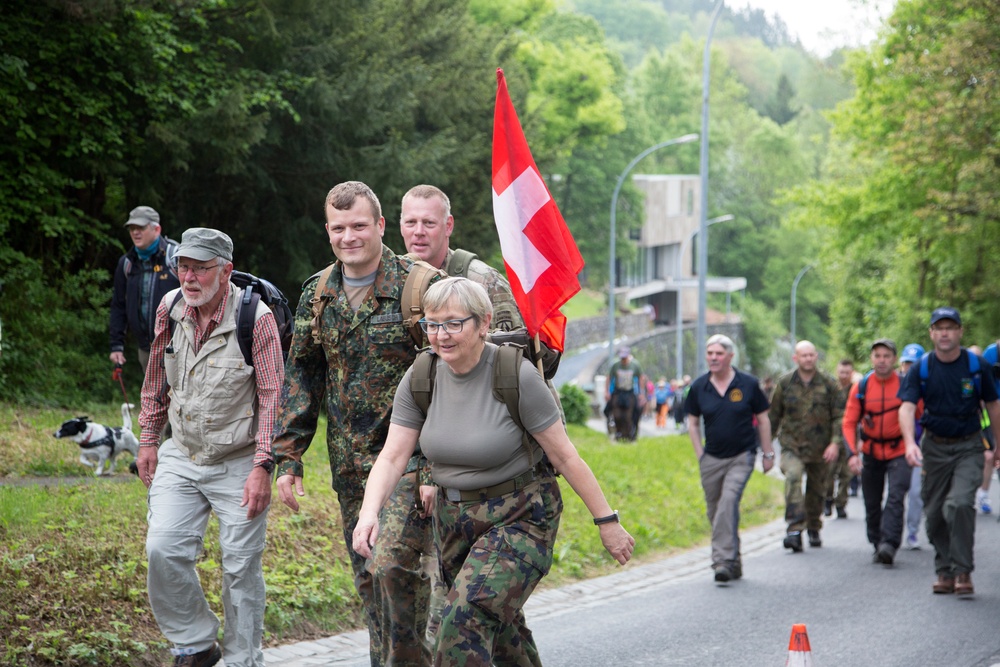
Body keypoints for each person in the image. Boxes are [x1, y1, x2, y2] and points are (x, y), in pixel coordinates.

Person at [352, 277, 634, 665]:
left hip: (520, 516)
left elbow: (566, 457)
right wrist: (370, 514)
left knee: (462, 624)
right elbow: (392, 457)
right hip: (454, 523)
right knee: (501, 630)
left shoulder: (514, 375)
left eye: (454, 323)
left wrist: (607, 521)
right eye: (432, 324)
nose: (441, 335)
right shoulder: (422, 376)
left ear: (484, 323)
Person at [271, 181, 437, 666]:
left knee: (395, 576)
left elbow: (446, 381)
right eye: (339, 228)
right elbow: (301, 374)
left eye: (360, 226)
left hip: (410, 463)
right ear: (328, 231)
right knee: (371, 586)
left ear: (380, 226)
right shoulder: (317, 295)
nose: (350, 237)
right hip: (350, 468)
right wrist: (289, 457)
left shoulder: (420, 287)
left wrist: (430, 468)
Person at [137, 228, 284, 667]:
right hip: (181, 453)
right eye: (184, 266)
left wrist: (263, 465)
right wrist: (148, 438)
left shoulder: (254, 318)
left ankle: (242, 660)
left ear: (226, 270)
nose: (190, 277)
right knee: (162, 548)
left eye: (201, 268)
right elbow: (156, 378)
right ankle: (197, 643)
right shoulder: (170, 307)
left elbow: (273, 394)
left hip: (240, 460)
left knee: (240, 568)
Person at [900, 307, 1000, 597]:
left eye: (950, 327)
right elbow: (906, 408)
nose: (945, 332)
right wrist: (909, 443)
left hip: (968, 445)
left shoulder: (976, 366)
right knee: (933, 513)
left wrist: (997, 445)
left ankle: (962, 571)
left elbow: (993, 405)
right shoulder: (922, 368)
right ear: (931, 333)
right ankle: (944, 570)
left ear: (960, 331)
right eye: (939, 327)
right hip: (934, 446)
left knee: (957, 504)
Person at [685, 334, 773, 583]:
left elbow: (764, 419)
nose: (713, 357)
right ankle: (735, 561)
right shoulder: (700, 386)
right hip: (711, 458)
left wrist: (767, 454)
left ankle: (722, 561)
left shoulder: (748, 384)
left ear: (730, 356)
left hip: (741, 456)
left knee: (728, 503)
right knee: (716, 511)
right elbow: (692, 423)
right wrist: (700, 454)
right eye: (710, 353)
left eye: (719, 353)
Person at [399, 184, 522, 332]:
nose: (419, 231)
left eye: (429, 223)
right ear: (401, 226)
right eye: (411, 222)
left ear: (448, 226)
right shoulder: (390, 281)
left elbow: (510, 349)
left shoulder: (484, 281)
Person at [842, 339, 921, 565]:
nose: (882, 360)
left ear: (894, 359)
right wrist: (852, 454)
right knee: (872, 501)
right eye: (877, 356)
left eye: (886, 356)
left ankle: (890, 544)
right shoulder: (862, 387)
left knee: (896, 496)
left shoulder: (906, 384)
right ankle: (877, 541)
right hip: (871, 450)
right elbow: (849, 422)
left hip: (900, 450)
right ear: (871, 359)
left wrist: (914, 442)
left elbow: (922, 414)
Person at [770, 340, 843, 552]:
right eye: (804, 355)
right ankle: (794, 528)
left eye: (811, 355)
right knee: (793, 478)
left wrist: (835, 443)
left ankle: (813, 526)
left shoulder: (829, 384)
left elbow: (840, 416)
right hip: (792, 445)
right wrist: (766, 447)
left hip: (821, 448)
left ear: (816, 357)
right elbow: (774, 416)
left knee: (816, 489)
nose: (808, 359)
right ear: (796, 358)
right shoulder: (784, 383)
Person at [110, 206, 180, 374]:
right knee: (151, 399)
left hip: (178, 347)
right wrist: (116, 345)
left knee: (179, 398)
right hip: (146, 349)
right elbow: (118, 305)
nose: (135, 232)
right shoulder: (126, 263)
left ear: (157, 229)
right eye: (132, 228)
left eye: (140, 228)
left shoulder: (175, 257)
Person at [899, 342, 925, 549]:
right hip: (894, 449)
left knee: (916, 492)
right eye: (907, 363)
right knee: (894, 493)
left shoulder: (929, 389)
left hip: (921, 448)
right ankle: (891, 533)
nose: (910, 368)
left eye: (914, 364)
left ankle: (913, 532)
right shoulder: (892, 385)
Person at [825, 358, 857, 519]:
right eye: (841, 372)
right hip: (833, 436)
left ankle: (841, 503)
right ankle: (828, 498)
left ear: (852, 373)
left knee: (847, 473)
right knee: (829, 470)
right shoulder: (832, 388)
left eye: (847, 372)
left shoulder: (856, 389)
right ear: (837, 372)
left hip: (850, 437)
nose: (844, 375)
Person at [604, 346, 645, 439]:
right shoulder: (615, 365)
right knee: (616, 415)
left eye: (624, 357)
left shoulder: (635, 365)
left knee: (629, 415)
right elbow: (609, 377)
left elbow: (641, 378)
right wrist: (607, 392)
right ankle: (618, 432)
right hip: (618, 393)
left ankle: (628, 434)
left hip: (629, 393)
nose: (623, 359)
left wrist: (641, 393)